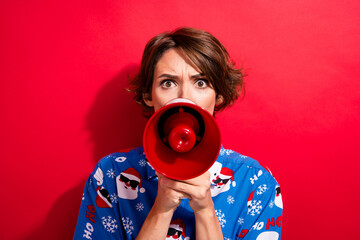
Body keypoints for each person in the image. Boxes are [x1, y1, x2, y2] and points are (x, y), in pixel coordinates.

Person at [74, 27, 283, 240]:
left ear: (218, 96)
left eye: (200, 83)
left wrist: (205, 211)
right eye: (168, 83)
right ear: (148, 96)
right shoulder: (111, 175)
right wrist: (161, 211)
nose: (184, 98)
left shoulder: (255, 182)